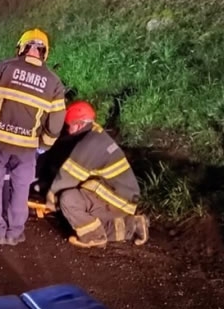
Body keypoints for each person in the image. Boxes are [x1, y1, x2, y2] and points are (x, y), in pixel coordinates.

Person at [0, 28, 66, 245]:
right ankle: (14, 233)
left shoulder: (3, 67)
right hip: (27, 146)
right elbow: (57, 121)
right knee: (21, 187)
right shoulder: (54, 82)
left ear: (22, 47)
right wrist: (44, 145)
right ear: (44, 52)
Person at [45, 100, 149, 248]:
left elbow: (67, 178)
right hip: (123, 198)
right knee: (82, 219)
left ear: (79, 124)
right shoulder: (96, 134)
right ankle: (133, 226)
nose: (68, 130)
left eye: (70, 125)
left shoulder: (88, 144)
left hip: (117, 200)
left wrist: (50, 200)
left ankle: (94, 237)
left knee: (69, 201)